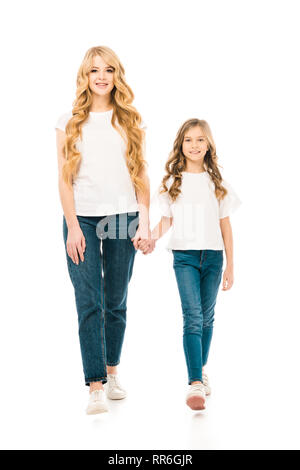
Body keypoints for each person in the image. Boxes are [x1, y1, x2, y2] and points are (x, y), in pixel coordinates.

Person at [55, 46, 150, 415]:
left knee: (115, 300)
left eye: (109, 69)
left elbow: (140, 173)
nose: (102, 76)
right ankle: (94, 384)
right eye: (94, 69)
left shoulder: (130, 120)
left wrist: (143, 219)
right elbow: (64, 181)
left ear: (117, 76)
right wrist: (73, 226)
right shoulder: (68, 121)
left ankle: (112, 374)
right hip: (84, 220)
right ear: (85, 75)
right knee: (87, 300)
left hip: (122, 217)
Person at [138, 119, 242, 410]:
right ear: (180, 145)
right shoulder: (174, 181)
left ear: (208, 145)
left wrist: (230, 266)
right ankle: (194, 382)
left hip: (213, 256)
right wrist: (151, 238)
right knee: (192, 316)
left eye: (200, 140)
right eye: (188, 140)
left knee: (207, 317)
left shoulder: (217, 181)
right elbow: (167, 219)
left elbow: (226, 225)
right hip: (183, 256)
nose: (194, 145)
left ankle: (201, 370)